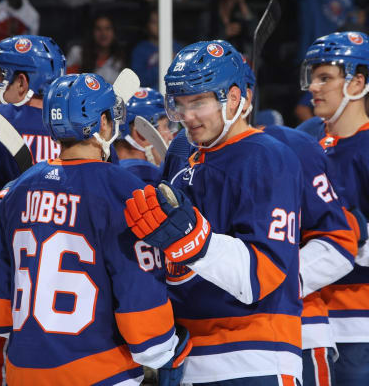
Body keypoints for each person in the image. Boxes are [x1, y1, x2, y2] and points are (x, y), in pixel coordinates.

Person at [0, 72, 191, 385]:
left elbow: (2, 317)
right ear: (105, 123)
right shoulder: (123, 190)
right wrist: (165, 348)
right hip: (98, 372)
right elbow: (149, 335)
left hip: (23, 371)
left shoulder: (17, 189)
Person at [125, 40, 304, 385]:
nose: (187, 115)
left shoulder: (267, 156)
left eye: (199, 101)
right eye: (180, 103)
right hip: (185, 357)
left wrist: (193, 241)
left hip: (254, 356)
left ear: (235, 98)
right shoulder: (182, 155)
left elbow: (261, 275)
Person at [240, 63, 359, 386]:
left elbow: (341, 239)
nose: (314, 88)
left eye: (205, 97)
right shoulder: (189, 157)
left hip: (303, 323)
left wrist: (270, 284)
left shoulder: (291, 144)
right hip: (227, 339)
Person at [0, 34, 66, 386]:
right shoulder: (86, 131)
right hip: (72, 300)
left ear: (23, 81)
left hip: (6, 292)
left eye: (0, 77)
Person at [297, 31, 369, 386]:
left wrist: (353, 233)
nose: (313, 87)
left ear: (357, 82)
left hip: (357, 321)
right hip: (306, 318)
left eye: (325, 77)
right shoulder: (305, 137)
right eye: (312, 77)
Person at [115, 87, 168, 183]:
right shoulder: (148, 174)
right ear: (141, 133)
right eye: (165, 126)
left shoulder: (102, 169)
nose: (170, 136)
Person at [130, 8, 183, 90]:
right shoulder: (140, 50)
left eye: (161, 21)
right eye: (154, 22)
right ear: (147, 25)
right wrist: (163, 63)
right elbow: (138, 81)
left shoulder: (178, 48)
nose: (159, 25)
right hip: (149, 98)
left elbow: (185, 78)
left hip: (175, 98)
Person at [66, 14, 125, 84]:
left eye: (108, 28)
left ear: (114, 33)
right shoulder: (77, 53)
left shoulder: (119, 60)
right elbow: (66, 82)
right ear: (92, 32)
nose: (103, 33)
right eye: (98, 29)